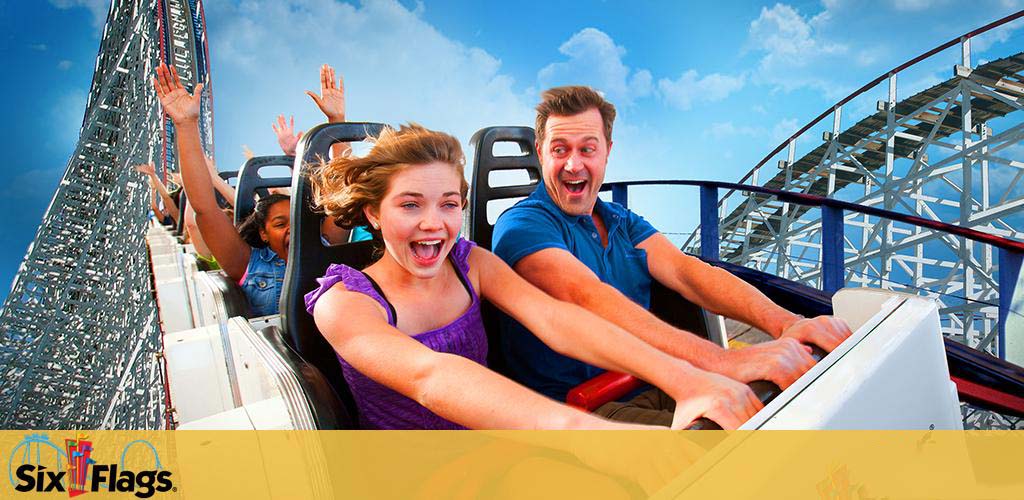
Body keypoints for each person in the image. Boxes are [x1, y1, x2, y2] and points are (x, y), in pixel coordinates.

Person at [305, 124, 761, 430]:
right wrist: (602, 437)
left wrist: (687, 377)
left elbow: (556, 319)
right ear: (372, 213)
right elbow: (433, 377)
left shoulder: (471, 264)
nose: (433, 223)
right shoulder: (345, 302)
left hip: (499, 441)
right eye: (410, 205)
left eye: (448, 204)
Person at [492, 86, 854, 425]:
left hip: (656, 379)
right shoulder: (522, 226)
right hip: (584, 408)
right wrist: (723, 361)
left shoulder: (620, 220)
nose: (573, 165)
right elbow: (587, 297)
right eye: (559, 149)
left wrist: (785, 323)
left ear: (607, 152)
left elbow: (687, 273)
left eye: (587, 149)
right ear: (540, 152)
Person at [154, 63, 289, 316]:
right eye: (281, 224)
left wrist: (335, 121)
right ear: (263, 234)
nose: (292, 229)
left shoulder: (326, 251)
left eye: (296, 221)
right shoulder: (249, 263)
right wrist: (185, 126)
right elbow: (205, 210)